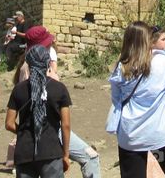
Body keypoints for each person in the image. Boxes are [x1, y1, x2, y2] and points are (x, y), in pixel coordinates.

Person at [109, 22, 165, 178]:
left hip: (130, 136)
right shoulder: (164, 62)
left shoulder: (121, 66)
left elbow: (116, 99)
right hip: (159, 133)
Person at [15, 28, 101, 178]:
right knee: (90, 157)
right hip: (51, 128)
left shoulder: (27, 67)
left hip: (40, 130)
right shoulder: (32, 70)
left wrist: (23, 132)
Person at [6, 45, 71, 178]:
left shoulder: (18, 90)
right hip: (51, 150)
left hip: (25, 152)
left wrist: (25, 131)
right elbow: (66, 125)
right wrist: (65, 154)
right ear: (48, 63)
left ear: (28, 64)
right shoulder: (60, 89)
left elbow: (9, 123)